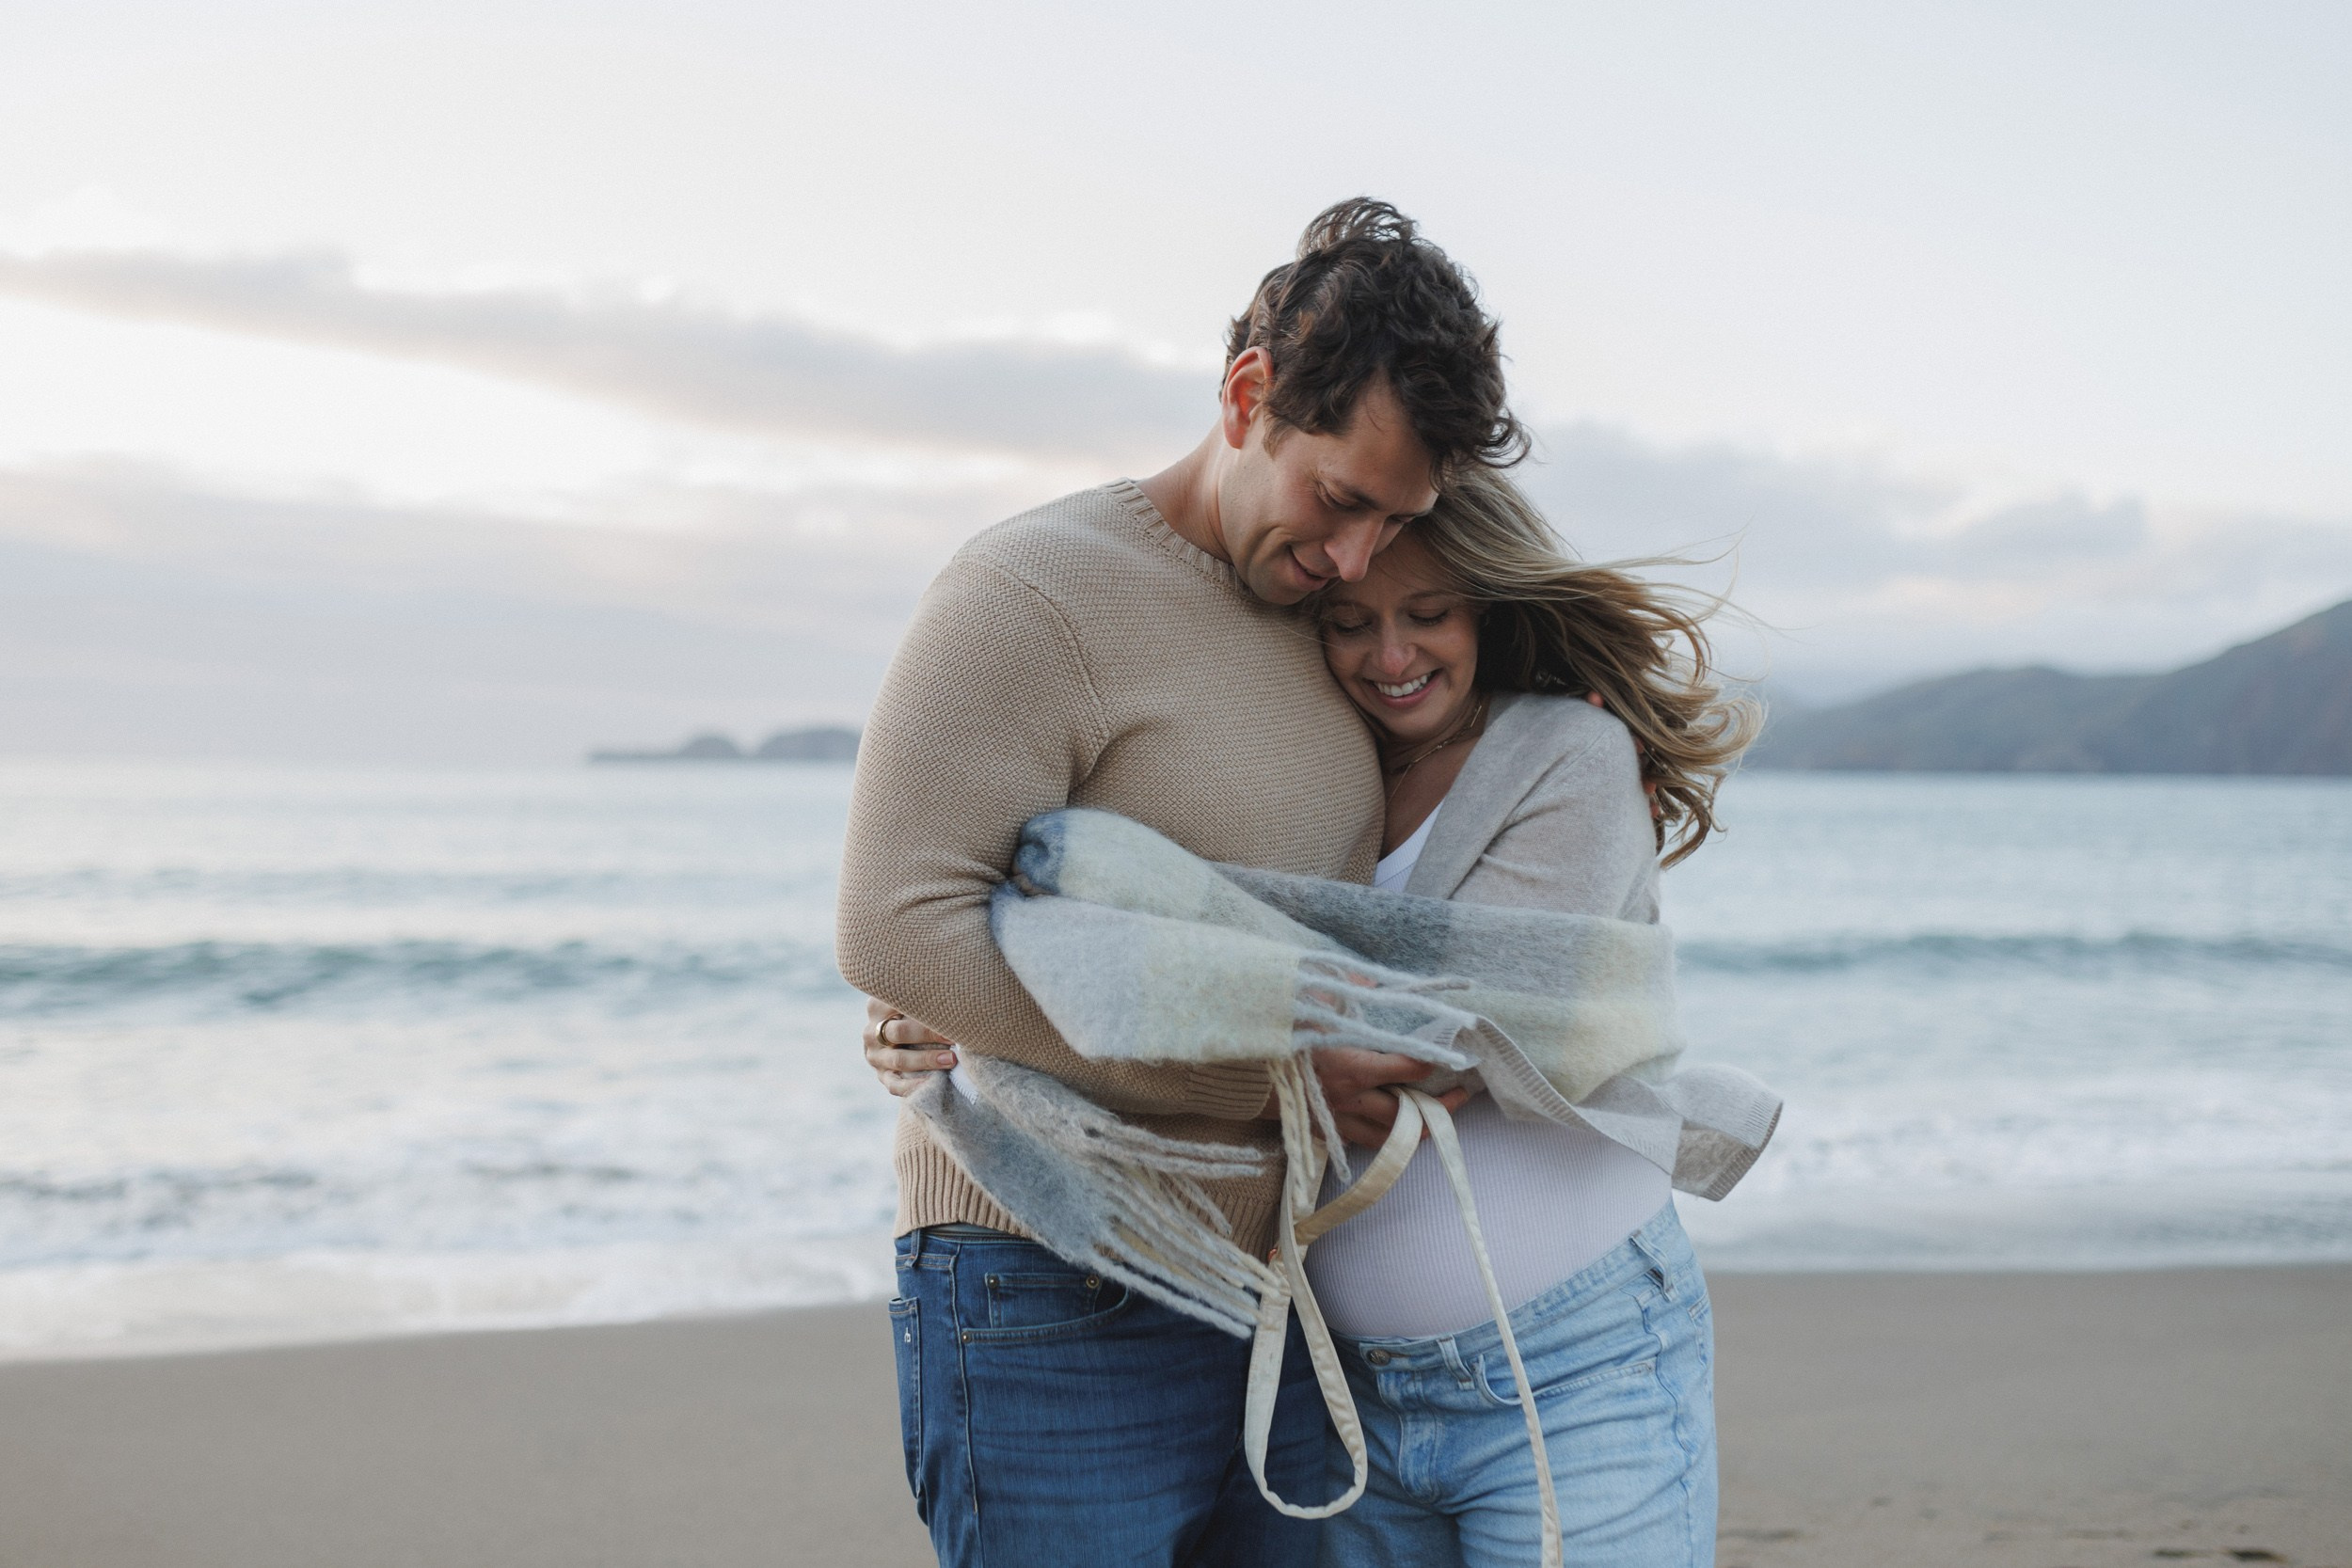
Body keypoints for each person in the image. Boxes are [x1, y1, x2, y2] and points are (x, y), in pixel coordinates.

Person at [871, 467, 1759, 1567]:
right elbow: (1183, 953)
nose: (1391, 654)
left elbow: (1446, 1033)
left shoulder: (1566, 751)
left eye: (1429, 613)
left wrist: (1063, 945)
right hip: (1350, 1394)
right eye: (1350, 623)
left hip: (1576, 1363)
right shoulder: (1319, 772)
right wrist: (968, 994)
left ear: (1488, 609)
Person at [835, 197, 1525, 1568]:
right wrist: (1273, 1073)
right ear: (1248, 394)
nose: (1355, 557)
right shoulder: (1032, 591)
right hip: (1051, 1280)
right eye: (1339, 500)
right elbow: (897, 928)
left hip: (1292, 1288)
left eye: (1396, 520)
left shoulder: (1347, 624)